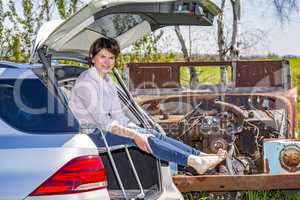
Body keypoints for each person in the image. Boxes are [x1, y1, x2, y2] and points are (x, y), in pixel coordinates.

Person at [69, 37, 226, 175]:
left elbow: (118, 117)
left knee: (152, 133)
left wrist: (137, 129)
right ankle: (194, 162)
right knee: (142, 138)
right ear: (92, 57)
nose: (107, 61)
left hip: (103, 130)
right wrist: (135, 135)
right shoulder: (86, 83)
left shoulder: (108, 82)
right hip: (88, 135)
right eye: (102, 56)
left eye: (111, 57)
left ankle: (200, 156)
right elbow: (104, 122)